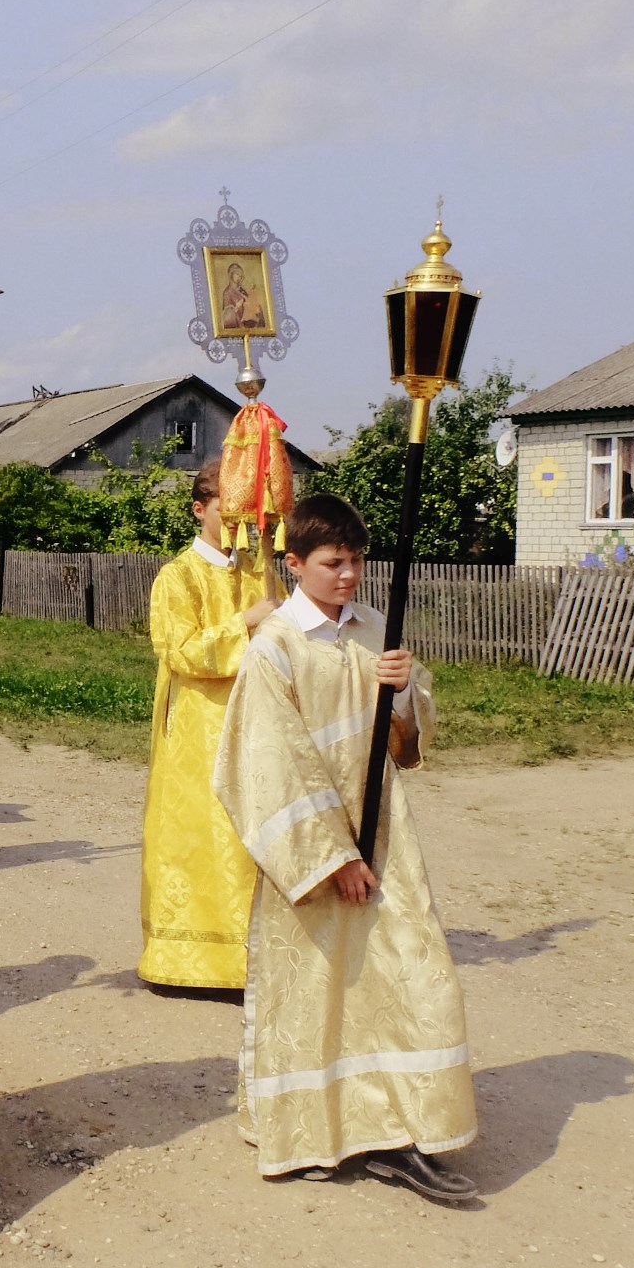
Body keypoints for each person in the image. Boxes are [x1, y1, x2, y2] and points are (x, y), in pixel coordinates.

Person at [213, 493, 478, 1200]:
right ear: (295, 563)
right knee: (318, 991)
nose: (350, 575)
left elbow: (405, 742)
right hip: (316, 854)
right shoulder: (275, 648)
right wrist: (334, 858)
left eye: (358, 560)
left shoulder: (375, 630)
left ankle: (401, 1127)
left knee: (410, 973)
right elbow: (269, 763)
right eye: (334, 562)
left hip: (386, 839)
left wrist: (403, 694)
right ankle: (316, 1129)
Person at [139, 459, 279, 990]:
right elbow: (181, 650)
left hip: (257, 721)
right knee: (199, 835)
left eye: (246, 511)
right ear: (201, 509)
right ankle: (183, 960)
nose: (238, 521)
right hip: (198, 727)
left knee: (250, 836)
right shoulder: (177, 576)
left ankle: (253, 958)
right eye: (228, 509)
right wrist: (247, 622)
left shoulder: (259, 573)